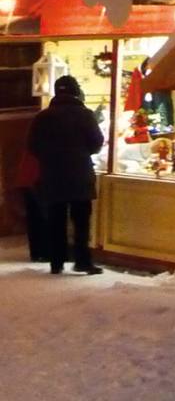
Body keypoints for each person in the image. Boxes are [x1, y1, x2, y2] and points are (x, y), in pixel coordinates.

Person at [28, 76, 105, 275]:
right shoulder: (85, 115)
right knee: (81, 221)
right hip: (80, 174)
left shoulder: (43, 117)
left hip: (52, 175)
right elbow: (96, 143)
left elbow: (32, 146)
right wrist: (81, 152)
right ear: (76, 91)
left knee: (55, 219)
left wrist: (49, 158)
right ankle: (82, 261)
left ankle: (56, 261)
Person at [14, 149, 45, 262]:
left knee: (34, 218)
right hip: (39, 178)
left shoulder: (34, 137)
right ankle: (44, 251)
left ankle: (36, 252)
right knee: (42, 217)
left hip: (28, 177)